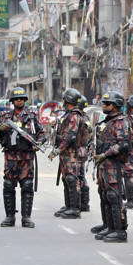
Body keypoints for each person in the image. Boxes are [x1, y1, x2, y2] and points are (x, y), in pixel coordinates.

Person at [0, 86, 44, 228]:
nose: (19, 101)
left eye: (22, 99)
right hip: (10, 157)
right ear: (12, 101)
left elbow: (42, 133)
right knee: (8, 186)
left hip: (27, 157)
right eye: (17, 99)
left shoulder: (32, 116)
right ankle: (10, 217)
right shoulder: (5, 117)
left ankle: (26, 218)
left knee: (27, 186)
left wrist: (38, 143)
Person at [91, 91, 131, 242]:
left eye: (107, 104)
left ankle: (120, 230)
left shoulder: (120, 122)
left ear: (115, 106)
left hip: (114, 164)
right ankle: (109, 226)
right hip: (104, 164)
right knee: (105, 195)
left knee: (114, 196)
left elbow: (123, 144)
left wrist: (106, 154)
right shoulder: (107, 121)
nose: (104, 106)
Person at [50, 88, 91, 219]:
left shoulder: (74, 115)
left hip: (72, 152)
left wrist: (58, 150)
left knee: (72, 179)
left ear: (68, 100)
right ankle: (68, 206)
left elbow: (70, 136)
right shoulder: (68, 114)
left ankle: (74, 208)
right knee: (66, 179)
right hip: (67, 152)